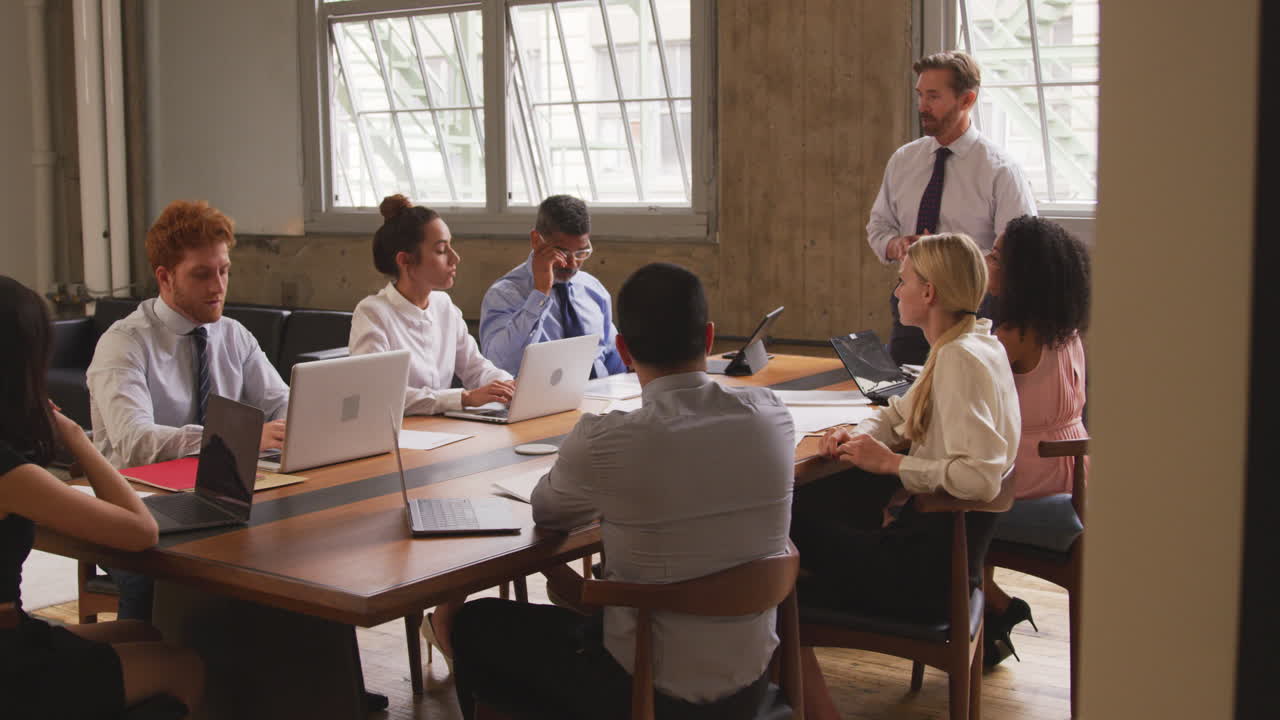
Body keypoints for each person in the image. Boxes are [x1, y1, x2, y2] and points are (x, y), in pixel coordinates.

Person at [447, 263, 795, 719]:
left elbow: (548, 513)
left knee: (476, 623)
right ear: (708, 339)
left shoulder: (607, 439)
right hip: (750, 682)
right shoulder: (772, 416)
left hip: (641, 689)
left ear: (623, 350)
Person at [790, 233, 1020, 720]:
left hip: (921, 575)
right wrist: (855, 434)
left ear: (929, 293)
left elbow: (979, 478)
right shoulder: (971, 343)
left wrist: (891, 463)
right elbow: (896, 415)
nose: (896, 293)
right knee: (816, 508)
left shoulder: (959, 360)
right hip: (948, 560)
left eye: (903, 282)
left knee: (777, 533)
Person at [0, 275, 204, 718]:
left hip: (15, 633)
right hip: (10, 668)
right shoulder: (11, 475)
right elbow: (139, 531)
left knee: (142, 631)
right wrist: (76, 437)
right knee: (183, 665)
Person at [85, 199, 288, 624]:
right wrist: (232, 440)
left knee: (293, 547)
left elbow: (281, 402)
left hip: (221, 496)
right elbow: (134, 441)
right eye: (202, 274)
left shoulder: (233, 335)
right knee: (157, 579)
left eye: (224, 270)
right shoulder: (123, 344)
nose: (218, 286)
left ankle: (259, 680)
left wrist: (302, 421)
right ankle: (145, 675)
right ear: (165, 277)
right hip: (136, 507)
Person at [867, 51, 1037, 365]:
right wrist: (898, 245)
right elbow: (878, 227)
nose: (922, 106)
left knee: (962, 397)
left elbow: (1019, 252)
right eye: (920, 95)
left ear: (967, 99)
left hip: (973, 310)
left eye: (934, 96)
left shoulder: (1000, 170)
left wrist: (949, 262)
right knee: (900, 398)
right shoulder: (903, 161)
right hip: (912, 304)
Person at [981, 215, 1091, 666]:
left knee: (926, 507)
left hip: (1030, 475)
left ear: (1019, 274)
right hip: (1070, 472)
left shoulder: (1011, 338)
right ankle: (991, 614)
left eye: (997, 255)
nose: (987, 257)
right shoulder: (1063, 331)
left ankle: (993, 607)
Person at [349, 194, 515, 414]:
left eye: (451, 246)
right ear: (405, 261)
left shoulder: (443, 305)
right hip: (401, 436)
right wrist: (464, 398)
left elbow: (476, 367)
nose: (455, 258)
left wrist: (507, 385)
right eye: (441, 250)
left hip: (442, 430)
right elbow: (379, 394)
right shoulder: (372, 313)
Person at [479, 194, 627, 378]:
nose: (572, 264)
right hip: (538, 403)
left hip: (601, 398)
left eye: (581, 252)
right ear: (536, 240)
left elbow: (612, 358)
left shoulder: (592, 289)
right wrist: (540, 293)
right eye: (562, 252)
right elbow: (498, 364)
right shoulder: (504, 294)